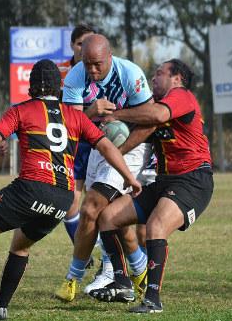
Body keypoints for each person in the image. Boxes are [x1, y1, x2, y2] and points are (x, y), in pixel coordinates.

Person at [0, 59, 141, 320]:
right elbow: (107, 147)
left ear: (31, 85)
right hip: (62, 197)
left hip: (31, 188)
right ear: (59, 86)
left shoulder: (22, 110)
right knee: (20, 245)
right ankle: (0, 308)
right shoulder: (74, 116)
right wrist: (130, 177)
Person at [88, 59, 213, 313]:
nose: (153, 78)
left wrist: (117, 115)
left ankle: (153, 299)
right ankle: (123, 282)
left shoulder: (181, 96)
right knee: (108, 218)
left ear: (176, 78)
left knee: (155, 226)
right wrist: (117, 153)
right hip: (165, 181)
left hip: (193, 180)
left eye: (159, 73)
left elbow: (156, 116)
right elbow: (146, 129)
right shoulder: (156, 107)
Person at [55, 34, 153, 302]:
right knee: (113, 218)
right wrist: (90, 111)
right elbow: (70, 126)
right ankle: (139, 272)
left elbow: (151, 118)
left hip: (131, 148)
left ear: (110, 56)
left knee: (89, 208)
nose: (92, 70)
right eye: (87, 64)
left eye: (97, 64)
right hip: (101, 147)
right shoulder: (76, 75)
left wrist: (117, 145)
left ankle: (72, 279)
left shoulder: (130, 74)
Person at [57, 24, 96, 248]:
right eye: (81, 43)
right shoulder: (60, 73)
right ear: (72, 45)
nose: (85, 48)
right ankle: (85, 250)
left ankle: (105, 256)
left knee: (99, 203)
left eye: (89, 42)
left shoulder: (104, 69)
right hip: (72, 144)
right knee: (70, 203)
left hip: (97, 143)